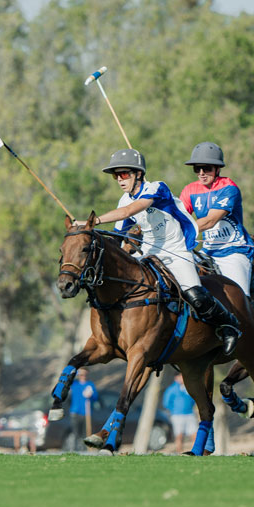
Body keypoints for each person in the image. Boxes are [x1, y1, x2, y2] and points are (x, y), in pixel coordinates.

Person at [74, 148, 241, 355]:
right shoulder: (123, 201)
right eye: (116, 175)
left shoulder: (157, 188)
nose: (119, 179)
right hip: (148, 251)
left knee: (195, 294)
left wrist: (92, 221)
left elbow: (129, 211)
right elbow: (118, 236)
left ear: (138, 174)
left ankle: (229, 325)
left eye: (124, 174)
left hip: (175, 249)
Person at [179, 142, 254, 355]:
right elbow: (180, 216)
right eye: (197, 169)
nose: (201, 173)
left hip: (234, 251)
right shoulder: (190, 190)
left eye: (206, 168)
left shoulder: (229, 188)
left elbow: (210, 220)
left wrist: (181, 231)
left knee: (240, 300)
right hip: (207, 251)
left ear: (217, 169)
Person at [162, 373, 198, 453]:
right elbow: (166, 403)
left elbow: (193, 400)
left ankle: (194, 452)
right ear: (176, 377)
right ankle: (180, 452)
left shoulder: (188, 388)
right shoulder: (171, 389)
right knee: (179, 436)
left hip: (190, 414)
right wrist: (174, 410)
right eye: (181, 376)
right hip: (177, 415)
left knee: (195, 434)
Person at [69, 368, 98, 451]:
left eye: (85, 374)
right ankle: (74, 451)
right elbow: (67, 380)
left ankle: (86, 450)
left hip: (86, 412)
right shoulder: (74, 384)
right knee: (76, 433)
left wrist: (91, 395)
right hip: (75, 412)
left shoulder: (90, 385)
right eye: (81, 374)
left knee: (86, 433)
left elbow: (96, 398)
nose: (83, 376)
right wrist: (75, 372)